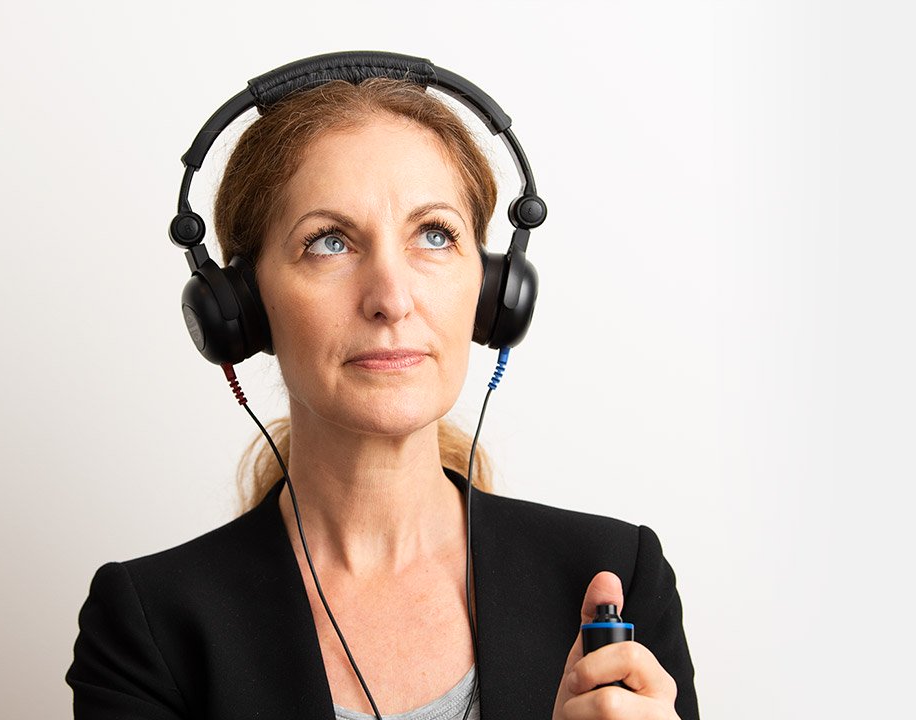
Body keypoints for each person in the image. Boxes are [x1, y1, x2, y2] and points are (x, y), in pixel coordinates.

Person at [65, 76, 697, 720]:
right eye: (329, 242)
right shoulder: (149, 628)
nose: (390, 298)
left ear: (490, 292)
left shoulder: (618, 577)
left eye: (433, 234)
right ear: (244, 308)